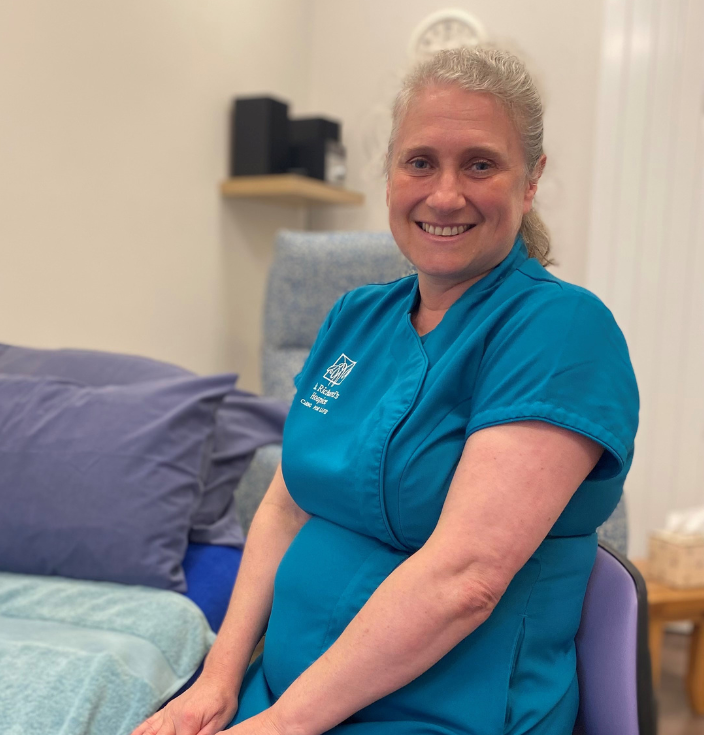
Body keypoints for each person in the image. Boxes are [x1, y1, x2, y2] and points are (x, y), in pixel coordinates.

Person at [132, 47, 639, 735]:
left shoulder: (561, 330)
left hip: (440, 714)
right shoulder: (355, 317)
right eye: (420, 161)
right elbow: (284, 505)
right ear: (390, 171)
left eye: (480, 164)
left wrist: (280, 726)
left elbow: (465, 579)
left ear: (530, 180)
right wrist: (217, 682)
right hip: (283, 695)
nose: (444, 193)